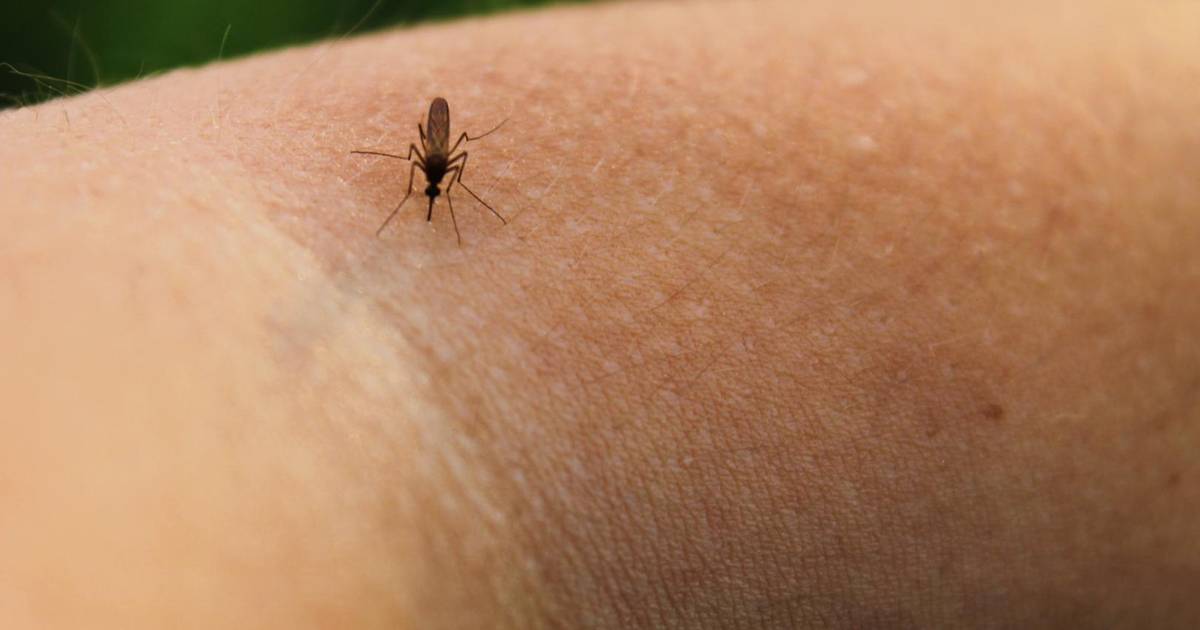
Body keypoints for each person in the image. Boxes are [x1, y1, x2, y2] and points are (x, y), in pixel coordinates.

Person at [1, 0, 1197, 626]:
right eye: (429, 173)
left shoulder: (447, 164)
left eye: (434, 171)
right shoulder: (418, 165)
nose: (431, 173)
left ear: (440, 164)